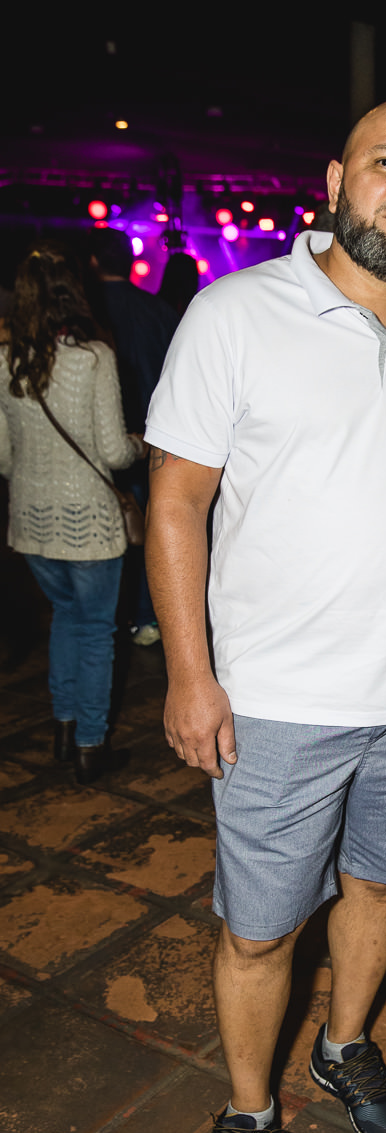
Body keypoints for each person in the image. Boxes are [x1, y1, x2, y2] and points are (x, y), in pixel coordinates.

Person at [144, 99, 386, 1133]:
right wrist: (190, 673)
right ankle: (248, 1108)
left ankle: (342, 1045)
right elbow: (175, 501)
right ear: (336, 178)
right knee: (258, 931)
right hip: (275, 706)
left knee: (381, 887)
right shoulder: (235, 313)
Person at [0, 242, 145, 783]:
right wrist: (140, 444)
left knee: (65, 617)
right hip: (88, 522)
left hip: (31, 521)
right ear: (73, 293)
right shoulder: (92, 359)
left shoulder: (6, 360)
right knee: (97, 632)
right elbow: (113, 452)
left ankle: (64, 728)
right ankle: (90, 745)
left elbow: (3, 457)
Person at [89, 227, 179, 647]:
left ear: (93, 263)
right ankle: (144, 617)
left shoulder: (86, 313)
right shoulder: (157, 310)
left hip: (98, 443)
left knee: (105, 532)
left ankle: (116, 616)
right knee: (148, 525)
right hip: (153, 437)